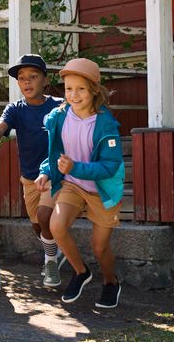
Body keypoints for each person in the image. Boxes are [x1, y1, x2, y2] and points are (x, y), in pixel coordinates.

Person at [35, 58, 125, 309]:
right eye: (68, 89)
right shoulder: (59, 117)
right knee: (56, 225)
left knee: (100, 247)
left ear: (94, 89)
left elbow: (110, 166)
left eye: (81, 89)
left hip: (102, 189)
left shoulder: (105, 124)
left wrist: (76, 167)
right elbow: (56, 153)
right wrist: (46, 172)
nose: (73, 95)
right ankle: (80, 271)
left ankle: (110, 282)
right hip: (72, 184)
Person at [0, 54, 64, 287]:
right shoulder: (16, 109)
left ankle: (50, 261)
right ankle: (54, 251)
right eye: (22, 78)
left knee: (43, 215)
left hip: (54, 174)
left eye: (33, 77)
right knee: (36, 224)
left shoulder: (59, 106)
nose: (27, 82)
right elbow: (1, 125)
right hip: (29, 177)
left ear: (45, 80)